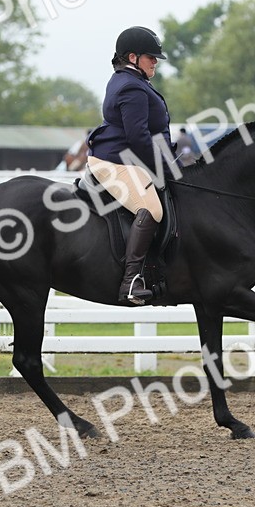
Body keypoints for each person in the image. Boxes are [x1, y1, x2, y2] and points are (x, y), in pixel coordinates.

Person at [86, 25, 171, 306]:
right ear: (132, 57)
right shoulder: (132, 86)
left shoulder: (132, 81)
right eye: (151, 57)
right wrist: (162, 166)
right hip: (116, 161)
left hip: (125, 158)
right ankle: (131, 281)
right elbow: (138, 137)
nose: (155, 61)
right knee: (151, 208)